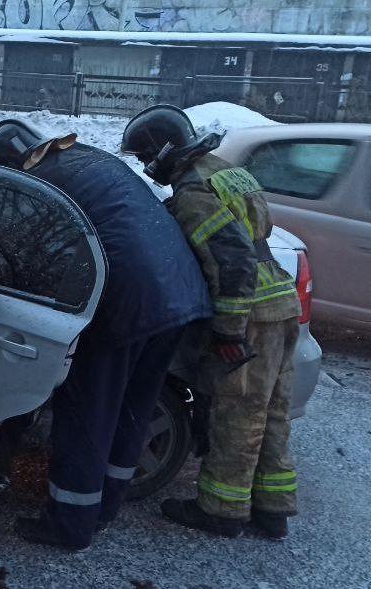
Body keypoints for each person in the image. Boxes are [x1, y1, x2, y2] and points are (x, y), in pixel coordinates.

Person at [0, 119, 211, 551]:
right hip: (179, 290)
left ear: (8, 164)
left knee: (87, 413)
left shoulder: (41, 184)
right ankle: (103, 509)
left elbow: (31, 252)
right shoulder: (86, 158)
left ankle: (69, 526)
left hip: (129, 297)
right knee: (130, 409)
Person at [121, 104, 302, 540]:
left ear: (163, 151)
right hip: (280, 300)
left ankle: (221, 510)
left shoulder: (193, 192)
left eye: (146, 158)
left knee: (235, 413)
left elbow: (233, 261)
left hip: (249, 311)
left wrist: (228, 330)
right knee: (270, 412)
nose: (148, 168)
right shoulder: (221, 169)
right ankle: (272, 508)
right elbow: (246, 235)